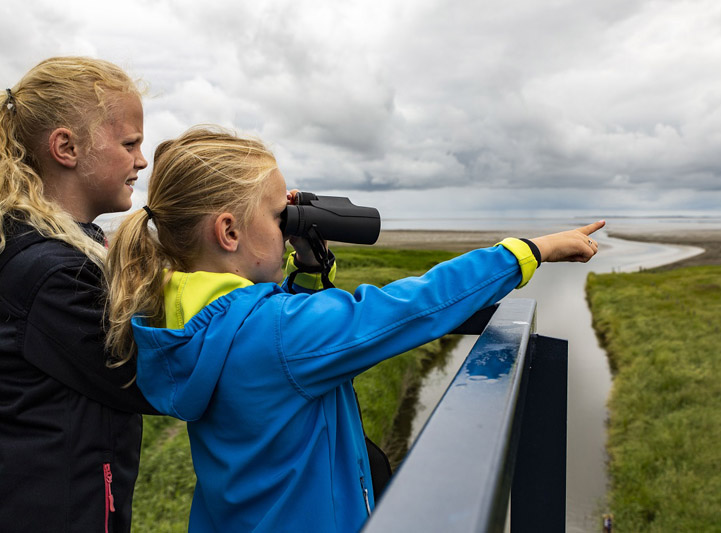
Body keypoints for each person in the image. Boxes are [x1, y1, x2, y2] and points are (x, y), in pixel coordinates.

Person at [105, 126, 604, 533]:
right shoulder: (280, 335)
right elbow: (414, 305)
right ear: (229, 231)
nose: (289, 224)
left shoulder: (186, 319)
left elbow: (271, 328)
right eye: (281, 216)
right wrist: (530, 251)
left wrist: (305, 266)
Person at [0, 57, 157, 532]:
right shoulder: (54, 275)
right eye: (130, 143)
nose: (142, 161)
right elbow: (155, 379)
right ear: (66, 147)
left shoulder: (23, 242)